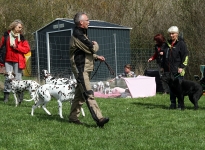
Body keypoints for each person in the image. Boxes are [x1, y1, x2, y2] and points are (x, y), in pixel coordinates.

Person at [68, 12, 109, 127]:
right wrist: (96, 45)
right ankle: (99, 119)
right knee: (88, 93)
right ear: (81, 22)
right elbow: (91, 48)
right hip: (81, 69)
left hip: (85, 67)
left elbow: (82, 52)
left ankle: (73, 117)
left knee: (80, 95)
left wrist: (96, 57)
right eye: (87, 20)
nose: (89, 22)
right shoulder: (78, 35)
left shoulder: (82, 33)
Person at [0, 19, 30, 103]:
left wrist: (17, 47)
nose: (21, 29)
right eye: (19, 27)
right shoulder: (6, 36)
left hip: (18, 60)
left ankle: (20, 98)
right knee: (7, 79)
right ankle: (6, 97)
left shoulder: (22, 37)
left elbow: (27, 49)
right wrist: (1, 60)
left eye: (21, 27)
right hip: (7, 59)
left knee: (18, 78)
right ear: (14, 26)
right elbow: (1, 48)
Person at [161, 26, 188, 109]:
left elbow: (185, 56)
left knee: (179, 89)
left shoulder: (181, 44)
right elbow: (164, 56)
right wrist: (163, 66)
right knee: (171, 89)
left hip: (178, 70)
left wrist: (181, 67)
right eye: (170, 34)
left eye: (173, 34)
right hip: (168, 71)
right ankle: (173, 104)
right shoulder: (166, 44)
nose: (171, 35)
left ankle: (180, 105)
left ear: (177, 34)